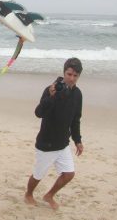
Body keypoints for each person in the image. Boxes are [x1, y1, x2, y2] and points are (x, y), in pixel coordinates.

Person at [24, 58, 84, 210]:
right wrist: (51, 97)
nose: (71, 78)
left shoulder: (77, 94)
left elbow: (75, 119)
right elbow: (39, 113)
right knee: (38, 175)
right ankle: (28, 194)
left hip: (63, 143)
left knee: (69, 174)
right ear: (64, 73)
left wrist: (77, 140)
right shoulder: (51, 89)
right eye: (69, 74)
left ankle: (49, 195)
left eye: (75, 75)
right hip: (46, 143)